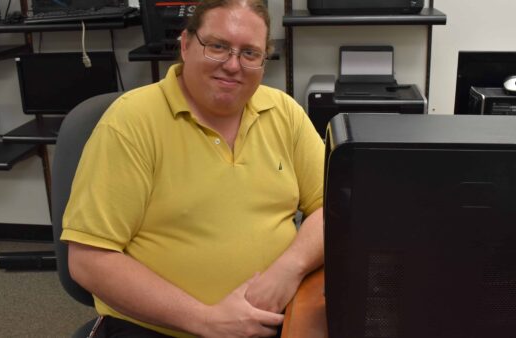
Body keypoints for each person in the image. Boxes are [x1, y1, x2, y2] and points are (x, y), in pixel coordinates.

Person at [61, 0, 325, 337]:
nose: (233, 65)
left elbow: (331, 207)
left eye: (249, 53)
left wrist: (289, 269)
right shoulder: (131, 122)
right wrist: (206, 320)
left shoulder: (283, 112)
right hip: (160, 329)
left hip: (274, 320)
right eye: (218, 46)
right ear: (186, 45)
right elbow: (88, 260)